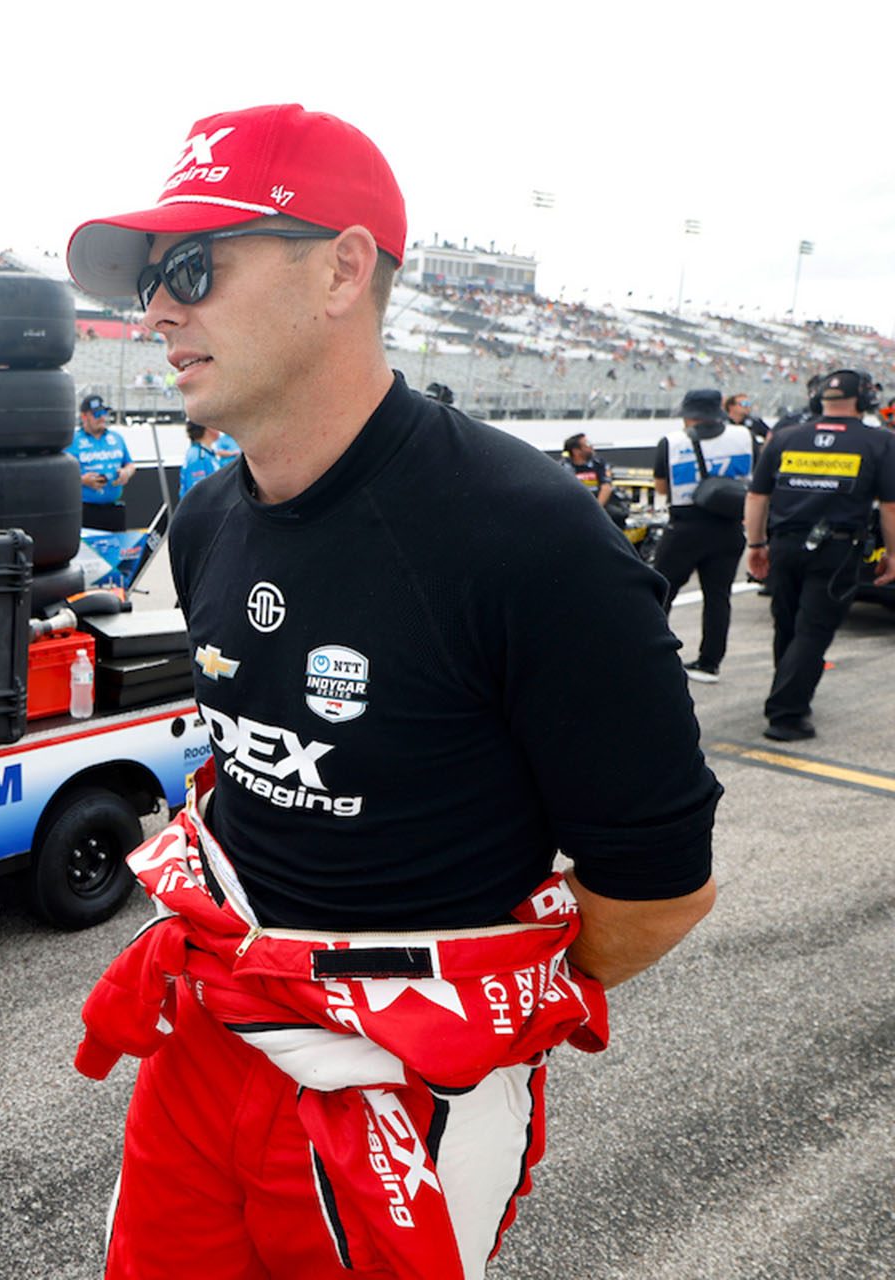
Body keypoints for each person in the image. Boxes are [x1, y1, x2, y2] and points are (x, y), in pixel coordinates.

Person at [62, 102, 718, 1280]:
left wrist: (427, 1012)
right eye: (154, 276)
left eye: (194, 268)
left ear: (343, 270)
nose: (155, 310)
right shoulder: (208, 517)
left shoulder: (531, 538)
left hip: (403, 1091)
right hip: (208, 1042)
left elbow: (659, 889)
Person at [743, 369, 895, 741]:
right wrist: (893, 553)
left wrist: (756, 545)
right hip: (837, 549)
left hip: (784, 545)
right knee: (813, 630)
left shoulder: (786, 437)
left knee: (788, 625)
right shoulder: (880, 442)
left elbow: (757, 496)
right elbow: (890, 507)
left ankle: (787, 693)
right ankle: (786, 714)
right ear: (865, 400)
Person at [652, 388, 753, 683]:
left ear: (687, 414)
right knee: (718, 598)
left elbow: (661, 488)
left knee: (661, 594)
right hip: (729, 527)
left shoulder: (671, 442)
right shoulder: (743, 437)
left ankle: (652, 656)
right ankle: (709, 663)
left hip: (685, 527)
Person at [69, 393, 134, 531]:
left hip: (114, 509)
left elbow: (130, 464)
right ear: (84, 417)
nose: (102, 418)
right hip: (85, 510)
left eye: (104, 413)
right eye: (97, 414)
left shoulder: (117, 438)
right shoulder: (72, 441)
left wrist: (126, 472)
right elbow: (60, 475)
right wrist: (81, 480)